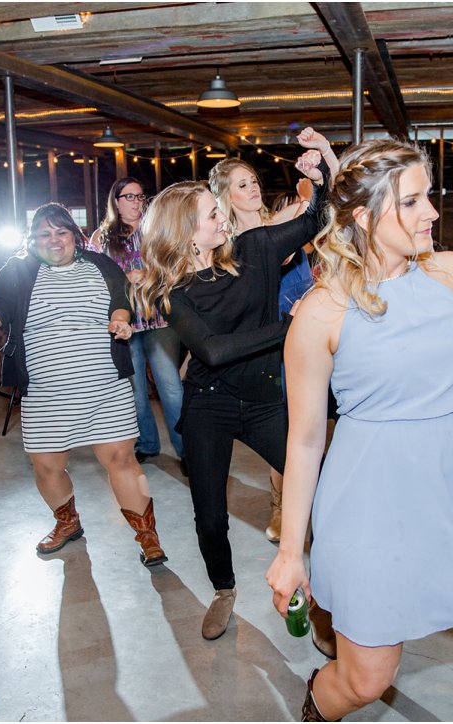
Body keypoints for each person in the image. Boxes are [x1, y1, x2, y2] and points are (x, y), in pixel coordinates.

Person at [265, 139, 453, 722]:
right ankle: (315, 706)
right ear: (361, 217)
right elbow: (305, 441)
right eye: (411, 203)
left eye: (427, 197)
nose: (432, 213)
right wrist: (290, 552)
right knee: (365, 681)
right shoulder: (321, 313)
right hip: (373, 505)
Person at [134, 131, 328, 640]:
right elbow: (214, 350)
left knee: (324, 491)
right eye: (211, 213)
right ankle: (224, 589)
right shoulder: (173, 293)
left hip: (264, 401)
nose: (223, 216)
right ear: (188, 232)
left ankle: (327, 596)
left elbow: (317, 218)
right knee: (210, 516)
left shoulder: (258, 248)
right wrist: (295, 324)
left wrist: (320, 177)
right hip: (210, 405)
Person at [0, 203, 168, 568]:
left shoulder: (101, 265)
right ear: (33, 239)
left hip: (104, 386)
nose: (53, 240)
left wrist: (121, 322)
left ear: (75, 235)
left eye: (61, 232)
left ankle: (147, 536)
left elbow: (120, 303)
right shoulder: (19, 270)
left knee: (121, 459)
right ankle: (67, 522)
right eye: (44, 234)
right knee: (47, 466)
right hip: (47, 391)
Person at [207, 133, 339, 543]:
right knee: (286, 427)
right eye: (242, 184)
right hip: (271, 337)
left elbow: (329, 207)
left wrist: (321, 168)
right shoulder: (224, 246)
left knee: (316, 424)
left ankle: (317, 505)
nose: (253, 188)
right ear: (225, 197)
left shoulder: (278, 222)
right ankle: (283, 507)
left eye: (254, 181)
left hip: (311, 328)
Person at [89, 177, 187, 474]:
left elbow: (176, 264)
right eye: (129, 197)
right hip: (124, 321)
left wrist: (151, 273)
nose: (136, 202)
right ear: (115, 201)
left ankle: (186, 450)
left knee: (170, 386)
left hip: (159, 318)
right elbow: (94, 277)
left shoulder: (155, 230)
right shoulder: (101, 238)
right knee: (134, 391)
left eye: (139, 196)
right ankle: (146, 444)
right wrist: (123, 278)